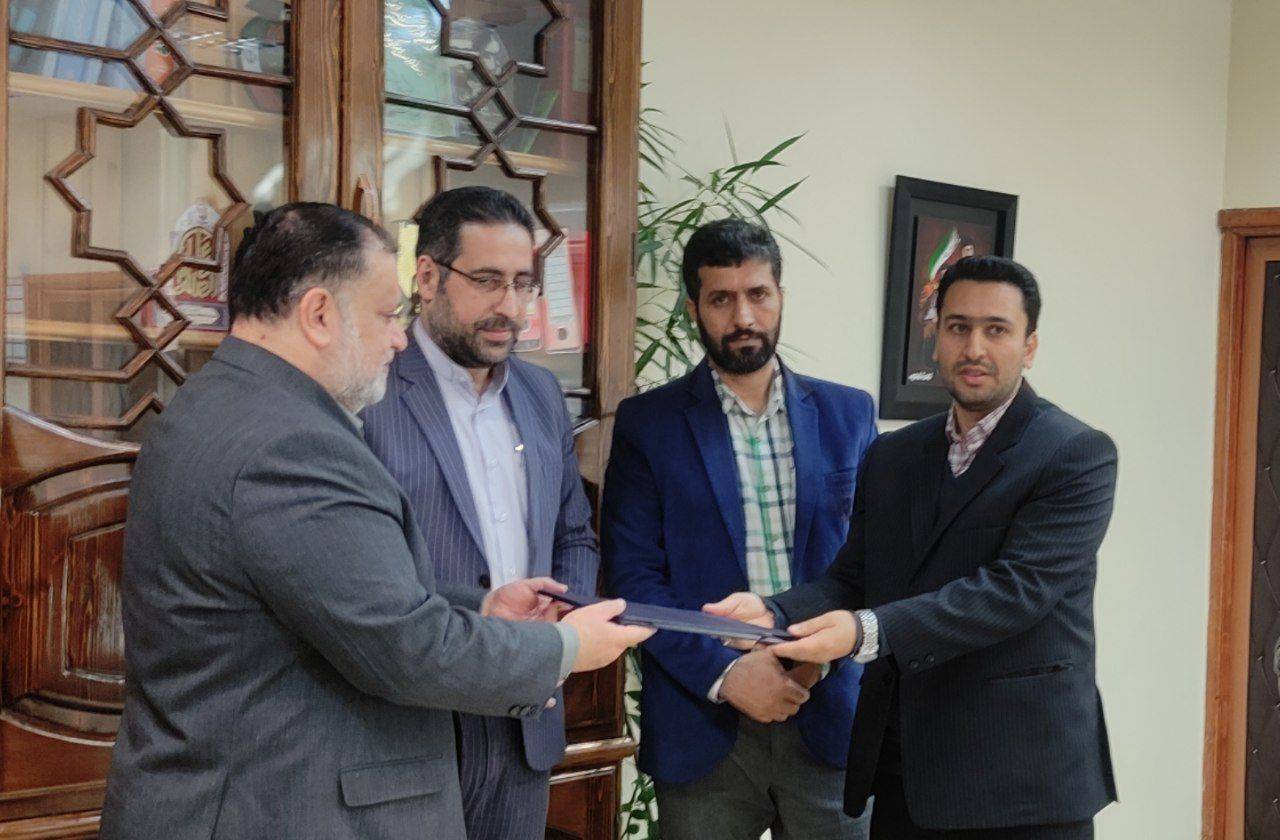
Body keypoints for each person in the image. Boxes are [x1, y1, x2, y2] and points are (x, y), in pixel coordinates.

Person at [100, 202, 650, 840]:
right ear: (318, 314)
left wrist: (480, 605)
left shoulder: (219, 400)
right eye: (388, 315)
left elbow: (332, 590)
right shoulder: (293, 443)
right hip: (275, 807)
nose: (399, 338)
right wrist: (567, 648)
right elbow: (403, 646)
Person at [708, 255, 1117, 839]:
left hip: (1024, 785)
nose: (974, 347)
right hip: (906, 772)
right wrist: (773, 613)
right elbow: (853, 577)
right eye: (958, 327)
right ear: (936, 339)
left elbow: (1016, 591)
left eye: (996, 330)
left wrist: (864, 631)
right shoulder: (894, 454)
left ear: (1029, 347)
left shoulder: (1075, 453)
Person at [603, 218, 878, 839]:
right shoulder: (649, 424)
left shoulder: (849, 413)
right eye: (721, 299)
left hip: (830, 716)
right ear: (693, 308)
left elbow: (874, 558)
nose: (743, 317)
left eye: (758, 294)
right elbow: (635, 581)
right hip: (703, 728)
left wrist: (812, 660)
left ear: (781, 296)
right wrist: (727, 676)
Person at [362, 186, 599, 840]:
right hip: (409, 725)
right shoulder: (370, 387)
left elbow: (574, 533)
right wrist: (483, 613)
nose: (510, 307)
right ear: (427, 277)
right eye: (488, 281)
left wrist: (560, 614)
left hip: (524, 717)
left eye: (523, 284)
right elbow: (359, 570)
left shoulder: (541, 392)